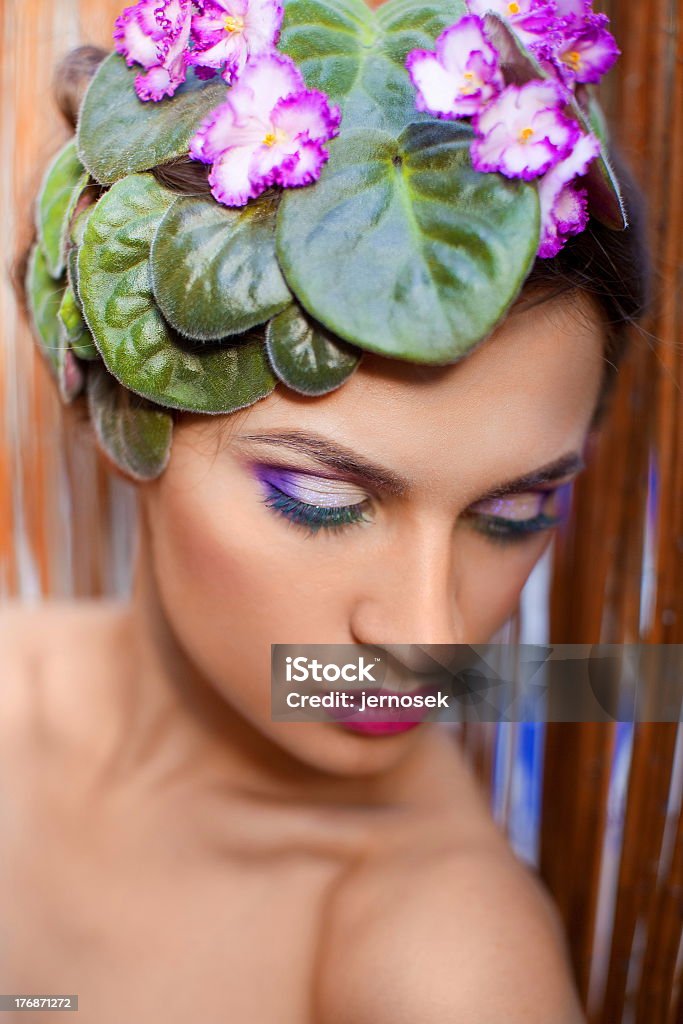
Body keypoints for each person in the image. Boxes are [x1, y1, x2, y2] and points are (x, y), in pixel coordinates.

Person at [1, 0, 650, 1020]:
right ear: (121, 411)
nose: (428, 637)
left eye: (515, 510)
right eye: (319, 500)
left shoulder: (450, 966)